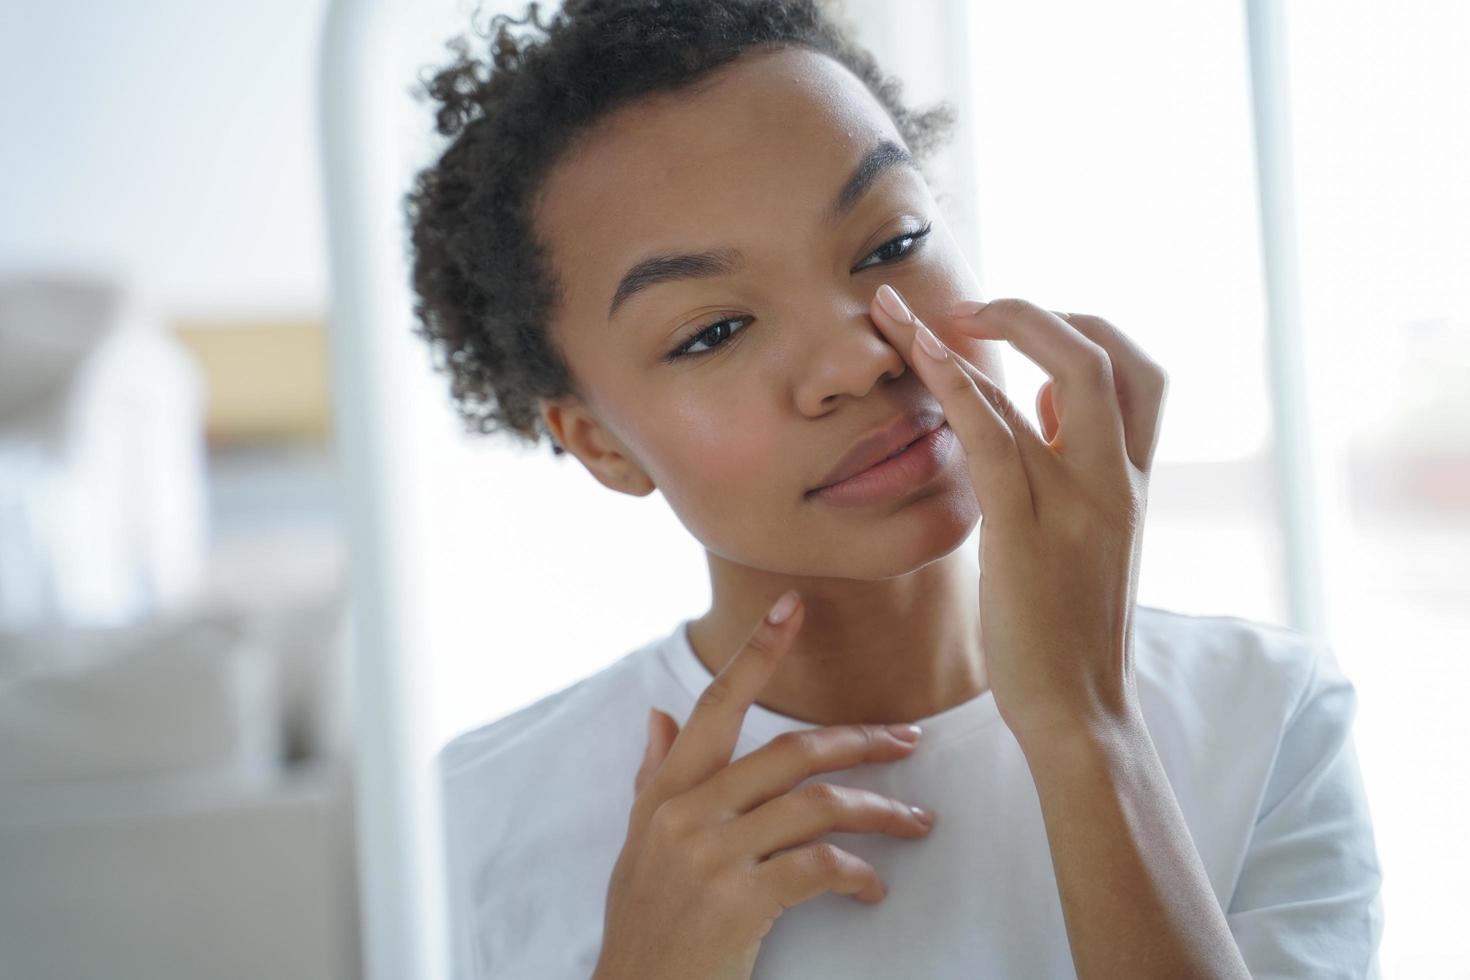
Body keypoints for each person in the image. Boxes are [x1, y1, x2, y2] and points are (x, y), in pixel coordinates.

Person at [406, 1, 1385, 977]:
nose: (860, 357)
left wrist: (1088, 728)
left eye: (889, 246)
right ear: (599, 444)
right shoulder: (464, 833)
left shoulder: (1266, 716)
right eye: (713, 330)